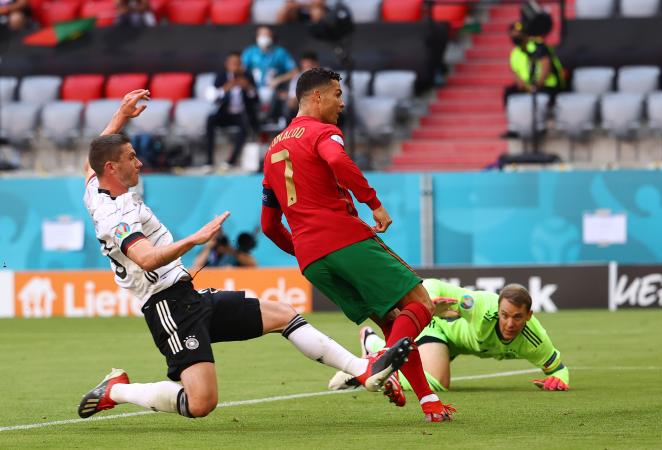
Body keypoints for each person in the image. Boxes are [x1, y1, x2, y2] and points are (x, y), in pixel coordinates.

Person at [77, 89, 412, 420]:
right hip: (168, 307)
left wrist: (121, 114)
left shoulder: (96, 185)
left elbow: (93, 158)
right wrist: (196, 239)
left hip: (186, 295)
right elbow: (147, 258)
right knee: (201, 403)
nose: (139, 162)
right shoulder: (115, 217)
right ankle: (116, 390)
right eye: (131, 157)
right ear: (112, 167)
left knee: (283, 315)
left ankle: (364, 371)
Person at [260, 67, 455, 422]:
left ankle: (429, 402)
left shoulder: (272, 150)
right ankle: (378, 362)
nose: (342, 102)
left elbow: (269, 225)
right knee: (421, 303)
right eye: (337, 94)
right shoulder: (323, 132)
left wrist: (307, 248)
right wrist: (374, 203)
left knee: (393, 321)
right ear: (316, 97)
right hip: (343, 236)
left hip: (311, 260)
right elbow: (337, 160)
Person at [329, 279, 570, 393]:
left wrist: (559, 380)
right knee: (437, 383)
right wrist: (430, 302)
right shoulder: (479, 304)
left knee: (430, 374)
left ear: (529, 315)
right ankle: (369, 360)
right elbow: (434, 284)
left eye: (517, 317)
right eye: (504, 315)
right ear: (498, 309)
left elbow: (558, 368)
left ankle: (372, 345)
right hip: (440, 330)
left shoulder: (535, 338)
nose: (509, 323)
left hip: (455, 347)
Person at [502, 21, 564, 138]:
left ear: (525, 35)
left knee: (539, 97)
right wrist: (526, 87)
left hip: (548, 85)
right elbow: (516, 74)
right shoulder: (515, 53)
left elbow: (546, 68)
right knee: (509, 93)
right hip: (529, 86)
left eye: (518, 35)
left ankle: (539, 127)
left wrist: (536, 86)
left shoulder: (539, 47)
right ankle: (514, 127)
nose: (516, 38)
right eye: (513, 35)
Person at [206, 51, 260, 168]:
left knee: (245, 127)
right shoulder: (221, 76)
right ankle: (209, 160)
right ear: (227, 64)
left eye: (237, 63)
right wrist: (226, 87)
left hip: (241, 114)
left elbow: (256, 98)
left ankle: (231, 161)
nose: (235, 66)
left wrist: (248, 88)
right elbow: (212, 96)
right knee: (210, 121)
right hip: (224, 113)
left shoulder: (247, 76)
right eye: (232, 63)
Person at [241, 26, 298, 124]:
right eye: (261, 34)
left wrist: (278, 79)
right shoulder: (250, 52)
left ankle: (279, 123)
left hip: (275, 91)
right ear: (256, 37)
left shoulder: (280, 52)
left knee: (286, 98)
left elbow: (295, 71)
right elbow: (241, 69)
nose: (264, 37)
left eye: (267, 34)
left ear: (272, 37)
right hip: (254, 91)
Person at [285, 50, 321, 122]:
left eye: (311, 64)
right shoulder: (297, 78)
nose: (308, 67)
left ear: (316, 64)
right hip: (303, 110)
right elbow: (292, 103)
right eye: (305, 65)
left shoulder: (326, 75)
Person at [192, 232, 257, 269]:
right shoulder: (208, 253)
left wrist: (231, 250)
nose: (221, 246)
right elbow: (196, 266)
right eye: (218, 243)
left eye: (223, 243)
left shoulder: (233, 254)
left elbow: (253, 264)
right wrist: (208, 247)